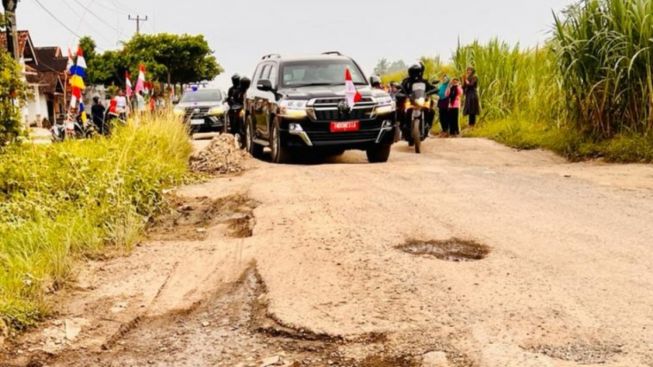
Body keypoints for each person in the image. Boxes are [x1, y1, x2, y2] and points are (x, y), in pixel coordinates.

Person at [398, 64, 438, 136]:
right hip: (410, 102)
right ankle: (402, 127)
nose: (415, 74)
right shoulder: (406, 81)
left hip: (422, 100)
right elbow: (400, 90)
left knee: (431, 111)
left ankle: (428, 126)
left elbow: (434, 88)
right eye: (413, 72)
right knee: (401, 111)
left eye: (417, 72)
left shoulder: (424, 81)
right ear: (410, 73)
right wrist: (402, 94)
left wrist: (429, 92)